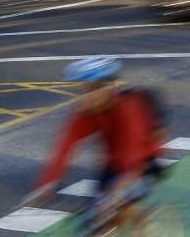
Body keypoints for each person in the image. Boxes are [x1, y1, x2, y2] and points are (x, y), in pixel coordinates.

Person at [26, 56, 167, 224]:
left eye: (92, 89)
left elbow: (133, 151)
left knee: (122, 206)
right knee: (96, 218)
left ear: (109, 88)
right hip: (113, 163)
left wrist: (119, 190)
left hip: (143, 163)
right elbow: (64, 146)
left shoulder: (128, 108)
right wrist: (47, 183)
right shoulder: (85, 114)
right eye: (83, 90)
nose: (85, 97)